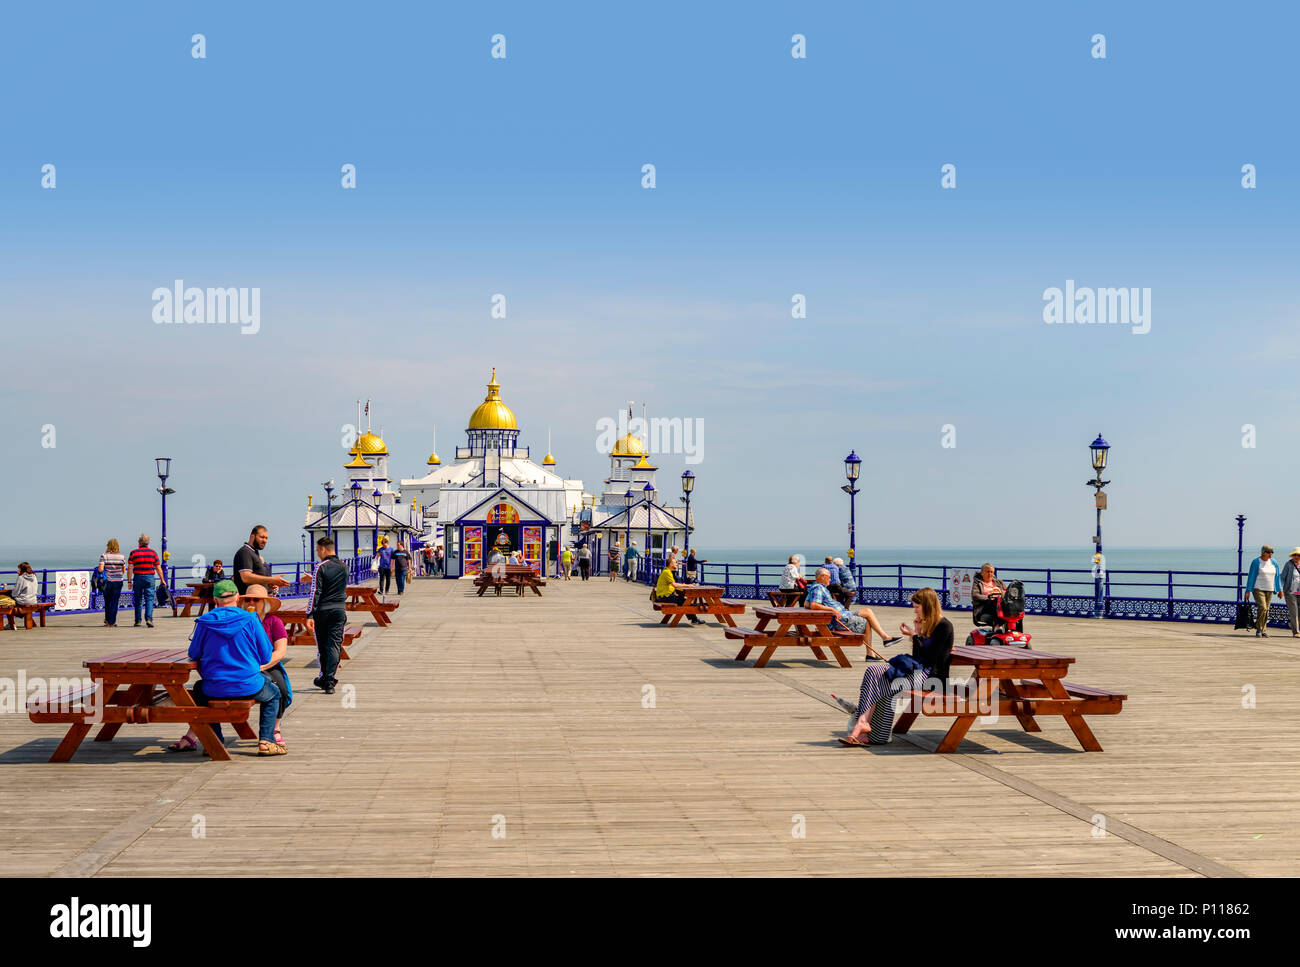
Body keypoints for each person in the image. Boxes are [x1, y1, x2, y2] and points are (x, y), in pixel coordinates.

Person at [169, 579, 285, 756]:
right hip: (248, 685)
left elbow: (194, 653)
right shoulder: (250, 620)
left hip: (214, 687)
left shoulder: (204, 622)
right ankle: (266, 741)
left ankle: (215, 740)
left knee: (198, 690)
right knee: (274, 694)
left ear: (215, 600)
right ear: (238, 598)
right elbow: (266, 656)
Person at [839, 587, 954, 747]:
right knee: (875, 673)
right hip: (919, 672)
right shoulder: (929, 624)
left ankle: (863, 724)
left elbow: (930, 659)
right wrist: (917, 635)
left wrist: (915, 635)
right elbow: (917, 657)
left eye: (916, 607)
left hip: (931, 678)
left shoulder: (944, 626)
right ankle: (867, 728)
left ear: (927, 605)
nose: (915, 611)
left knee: (878, 676)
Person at [805, 567, 900, 653]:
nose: (830, 579)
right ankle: (872, 652)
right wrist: (831, 609)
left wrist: (828, 608)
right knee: (866, 622)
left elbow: (806, 604)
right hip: (838, 620)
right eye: (829, 577)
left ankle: (885, 638)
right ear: (822, 577)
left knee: (868, 611)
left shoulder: (815, 587)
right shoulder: (818, 588)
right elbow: (814, 605)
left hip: (842, 614)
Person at [307, 537, 349, 693]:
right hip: (339, 610)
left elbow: (315, 592)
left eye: (318, 550)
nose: (318, 554)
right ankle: (329, 680)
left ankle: (325, 677)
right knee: (335, 645)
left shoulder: (321, 567)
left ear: (323, 549)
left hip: (322, 611)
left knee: (323, 646)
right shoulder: (345, 567)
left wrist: (309, 614)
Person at [233, 525, 291, 597]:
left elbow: (255, 577)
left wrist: (268, 584)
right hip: (248, 601)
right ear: (252, 536)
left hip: (258, 599)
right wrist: (271, 580)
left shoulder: (254, 553)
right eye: (262, 537)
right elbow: (246, 577)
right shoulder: (245, 552)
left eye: (266, 538)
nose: (265, 541)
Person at [126, 534, 165, 627]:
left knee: (138, 599)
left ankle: (138, 621)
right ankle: (149, 619)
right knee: (149, 599)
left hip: (138, 577)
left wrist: (129, 581)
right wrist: (162, 579)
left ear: (139, 542)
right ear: (148, 543)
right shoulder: (153, 553)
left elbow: (130, 567)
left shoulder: (133, 553)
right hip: (150, 577)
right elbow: (158, 568)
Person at [1246, 545, 1282, 638]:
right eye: (1268, 552)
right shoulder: (1256, 562)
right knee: (1263, 608)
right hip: (1258, 588)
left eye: (1272, 552)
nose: (1271, 554)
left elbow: (1277, 577)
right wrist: (1248, 590)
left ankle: (1263, 630)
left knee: (1266, 610)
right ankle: (1259, 628)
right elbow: (1251, 576)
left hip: (1270, 589)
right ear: (1263, 552)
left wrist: (1279, 590)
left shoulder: (1274, 562)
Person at [654, 554, 702, 624]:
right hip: (664, 597)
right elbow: (674, 584)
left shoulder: (667, 571)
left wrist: (683, 587)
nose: (677, 564)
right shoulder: (667, 572)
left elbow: (673, 585)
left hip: (664, 596)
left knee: (684, 601)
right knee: (685, 602)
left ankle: (694, 618)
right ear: (670, 564)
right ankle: (694, 618)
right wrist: (688, 586)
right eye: (675, 562)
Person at [96, 540, 127, 627]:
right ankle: (112, 621)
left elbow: (100, 569)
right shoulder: (122, 557)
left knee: (107, 601)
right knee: (115, 601)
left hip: (107, 582)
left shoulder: (104, 556)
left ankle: (107, 620)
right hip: (118, 582)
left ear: (108, 546)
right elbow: (123, 570)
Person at [1282, 549, 1300, 639]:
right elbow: (1282, 577)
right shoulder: (1288, 564)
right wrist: (1280, 589)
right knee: (1294, 612)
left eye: (1298, 555)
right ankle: (1296, 632)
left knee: (1298, 612)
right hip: (1290, 592)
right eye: (1295, 555)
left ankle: (1293, 624)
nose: (1296, 557)